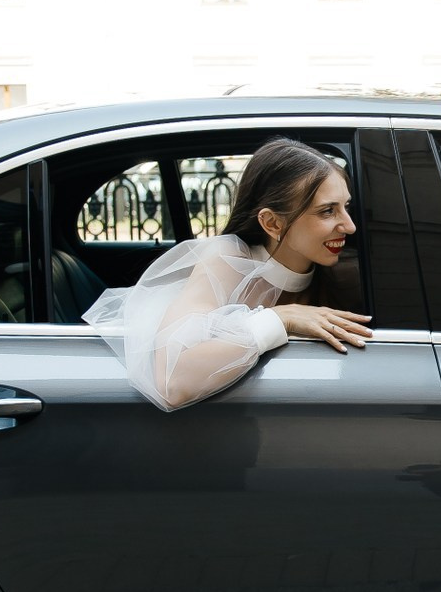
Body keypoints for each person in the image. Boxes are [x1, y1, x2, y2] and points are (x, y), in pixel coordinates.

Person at [88, 137, 371, 410]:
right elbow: (171, 382)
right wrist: (279, 319)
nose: (349, 226)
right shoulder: (227, 262)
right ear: (272, 223)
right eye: (327, 212)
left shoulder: (356, 272)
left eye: (346, 207)